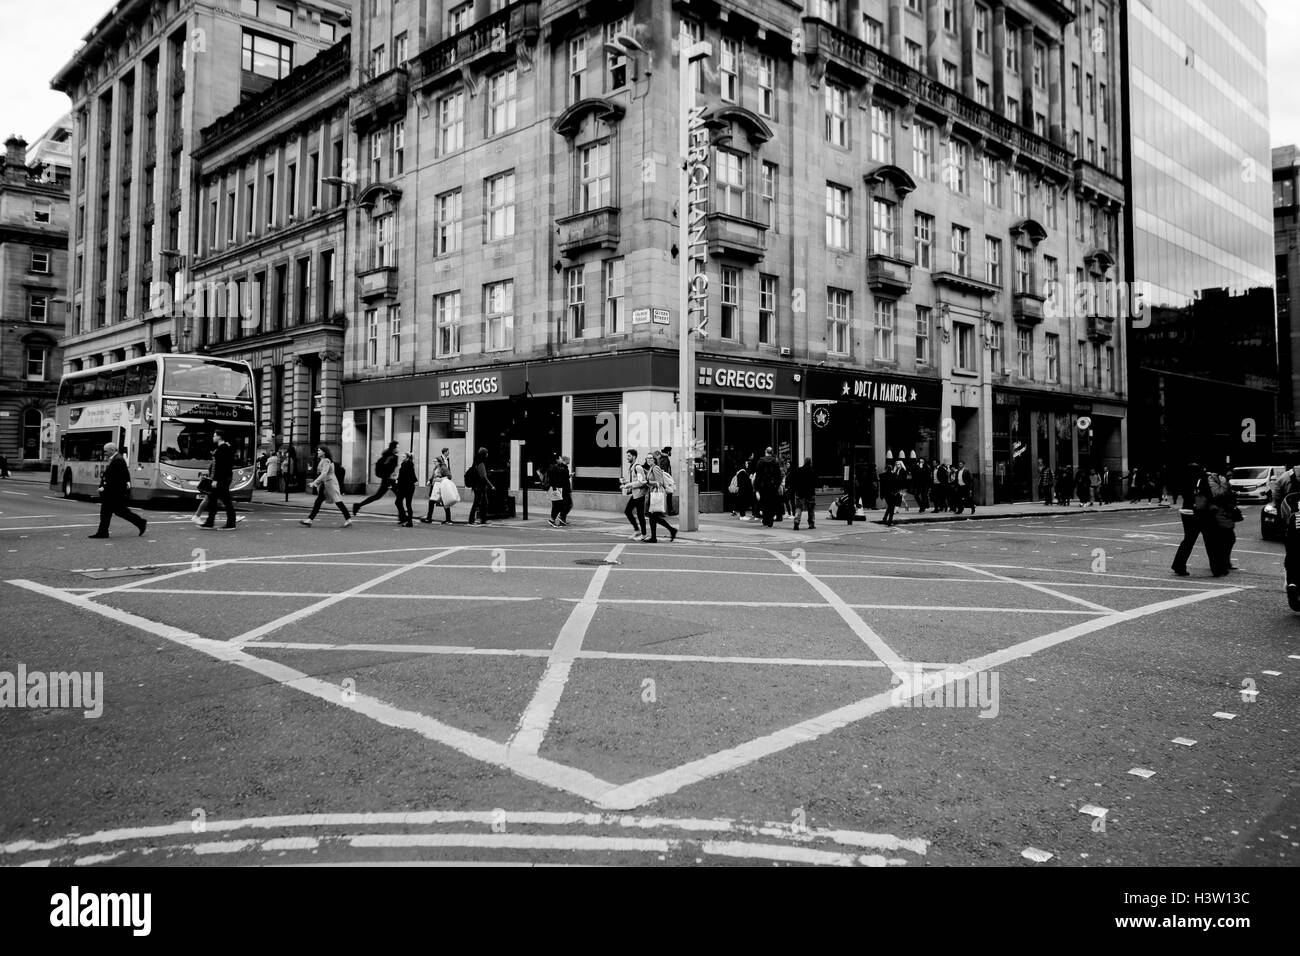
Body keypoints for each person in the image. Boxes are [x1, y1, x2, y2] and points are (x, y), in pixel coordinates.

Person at [88, 442, 147, 538]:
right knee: (113, 512)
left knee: (112, 512)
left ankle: (140, 522)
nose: (105, 453)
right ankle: (103, 532)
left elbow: (115, 479)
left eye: (106, 451)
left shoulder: (118, 461)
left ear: (112, 450)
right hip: (114, 492)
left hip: (113, 493)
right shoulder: (117, 459)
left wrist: (104, 488)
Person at [300, 445, 352, 527]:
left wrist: (314, 483)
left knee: (338, 501)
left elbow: (324, 473)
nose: (318, 452)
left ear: (324, 452)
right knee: (319, 501)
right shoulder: (324, 460)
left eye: (319, 450)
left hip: (330, 484)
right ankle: (309, 519)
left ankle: (348, 519)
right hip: (326, 484)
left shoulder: (326, 461)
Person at [1272, 463, 1300, 607]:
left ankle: (1293, 583)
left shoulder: (1285, 478)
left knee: (1292, 558)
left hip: (1293, 529)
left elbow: (1277, 498)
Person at [199, 429, 237, 530]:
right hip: (221, 478)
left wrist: (216, 480)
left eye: (214, 435)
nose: (213, 437)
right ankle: (210, 522)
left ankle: (231, 523)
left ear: (219, 437)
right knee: (212, 499)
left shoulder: (223, 449)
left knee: (226, 500)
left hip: (221, 479)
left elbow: (222, 466)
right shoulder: (222, 448)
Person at [353, 440, 399, 518]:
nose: (398, 448)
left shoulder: (388, 456)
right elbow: (388, 468)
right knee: (398, 496)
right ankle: (402, 516)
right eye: (397, 447)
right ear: (394, 448)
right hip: (389, 480)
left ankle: (358, 505)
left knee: (379, 496)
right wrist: (390, 475)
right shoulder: (392, 457)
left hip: (388, 479)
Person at [643, 451, 678, 543]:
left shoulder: (656, 468)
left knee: (653, 516)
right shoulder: (651, 468)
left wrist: (647, 482)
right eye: (647, 458)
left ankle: (668, 531)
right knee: (653, 517)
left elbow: (660, 482)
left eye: (651, 458)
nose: (649, 460)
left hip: (656, 494)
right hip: (652, 493)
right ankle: (663, 533)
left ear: (654, 460)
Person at [421, 448, 454, 524]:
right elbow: (433, 475)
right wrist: (429, 480)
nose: (434, 462)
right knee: (432, 502)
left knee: (445, 502)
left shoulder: (443, 468)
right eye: (433, 461)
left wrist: (440, 479)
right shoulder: (436, 467)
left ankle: (448, 519)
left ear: (439, 462)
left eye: (435, 461)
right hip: (435, 487)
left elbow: (449, 476)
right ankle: (429, 518)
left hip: (441, 487)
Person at [621, 449, 648, 540]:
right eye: (627, 455)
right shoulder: (632, 467)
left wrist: (628, 485)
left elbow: (641, 482)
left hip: (639, 494)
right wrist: (626, 482)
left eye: (629, 456)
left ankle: (643, 534)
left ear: (634, 457)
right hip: (635, 494)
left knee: (640, 515)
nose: (627, 457)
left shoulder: (638, 467)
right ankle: (637, 531)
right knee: (628, 511)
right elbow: (635, 481)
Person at [754, 446, 783, 527]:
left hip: (763, 486)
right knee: (771, 503)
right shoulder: (775, 462)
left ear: (765, 451)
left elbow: (758, 476)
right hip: (772, 486)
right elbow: (778, 475)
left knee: (764, 502)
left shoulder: (760, 462)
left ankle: (765, 519)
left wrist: (756, 488)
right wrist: (777, 485)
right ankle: (770, 521)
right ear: (772, 452)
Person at [465, 446, 494, 526]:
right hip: (480, 487)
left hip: (477, 487)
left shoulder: (476, 462)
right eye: (486, 453)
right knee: (477, 503)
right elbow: (483, 477)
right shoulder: (481, 463)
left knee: (483, 503)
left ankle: (483, 519)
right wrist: (491, 485)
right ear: (484, 454)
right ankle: (471, 520)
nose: (487, 454)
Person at [788, 456, 817, 531]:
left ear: (804, 462)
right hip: (810, 493)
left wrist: (794, 490)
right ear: (810, 463)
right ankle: (811, 524)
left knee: (799, 508)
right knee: (811, 509)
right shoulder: (812, 471)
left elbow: (794, 481)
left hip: (800, 493)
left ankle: (796, 523)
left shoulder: (798, 470)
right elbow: (816, 483)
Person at [546, 454, 571, 528]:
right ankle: (552, 520)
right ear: (556, 460)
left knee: (557, 505)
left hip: (555, 488)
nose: (561, 459)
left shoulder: (555, 467)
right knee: (558, 505)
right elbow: (554, 479)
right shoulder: (554, 468)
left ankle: (553, 520)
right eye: (560, 458)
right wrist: (555, 489)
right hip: (554, 489)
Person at [395, 452, 417, 527]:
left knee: (399, 502)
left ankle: (406, 518)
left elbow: (403, 477)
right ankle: (408, 520)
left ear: (407, 457)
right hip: (409, 487)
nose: (402, 456)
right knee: (407, 504)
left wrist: (397, 484)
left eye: (403, 456)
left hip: (405, 487)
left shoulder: (406, 464)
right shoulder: (408, 464)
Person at [880, 461, 898, 526]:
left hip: (886, 494)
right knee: (891, 507)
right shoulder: (894, 475)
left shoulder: (882, 476)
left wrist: (881, 495)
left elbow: (881, 487)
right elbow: (896, 485)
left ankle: (885, 518)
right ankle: (890, 521)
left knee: (890, 506)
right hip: (892, 494)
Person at [660, 447, 675, 516]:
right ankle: (670, 511)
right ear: (668, 451)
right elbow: (664, 471)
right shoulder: (665, 459)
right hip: (666, 480)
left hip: (665, 480)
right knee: (669, 494)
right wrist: (668, 481)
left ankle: (668, 511)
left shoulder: (663, 458)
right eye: (670, 451)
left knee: (667, 495)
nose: (671, 452)